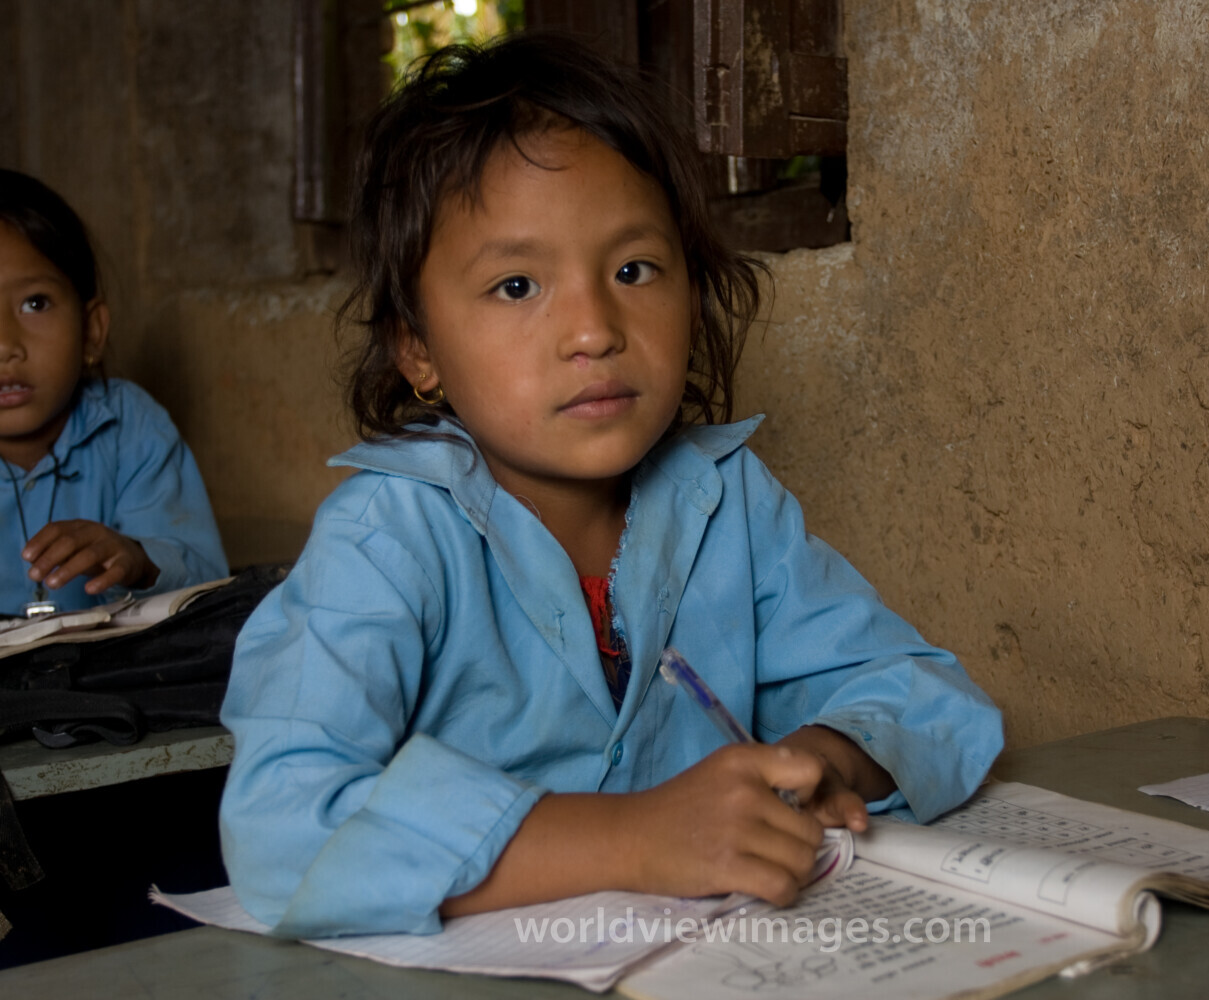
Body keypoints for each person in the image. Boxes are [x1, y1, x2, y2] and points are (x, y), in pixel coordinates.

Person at [218, 33, 1004, 939]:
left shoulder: (726, 501)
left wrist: (826, 759)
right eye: (517, 285)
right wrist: (633, 838)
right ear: (418, 350)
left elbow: (924, 691)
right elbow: (280, 825)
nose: (594, 328)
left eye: (635, 271)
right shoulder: (385, 537)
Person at [0, 169, 228, 617]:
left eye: (35, 303)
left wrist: (139, 561)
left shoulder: (130, 428)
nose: (6, 344)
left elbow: (208, 583)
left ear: (92, 331)